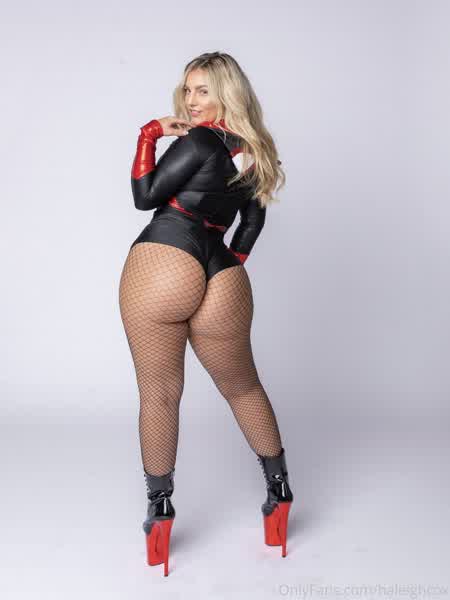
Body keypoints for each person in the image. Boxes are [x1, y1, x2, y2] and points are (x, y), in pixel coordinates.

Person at [118, 51, 294, 576]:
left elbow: (145, 196)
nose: (191, 101)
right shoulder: (256, 151)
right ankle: (280, 493)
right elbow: (251, 226)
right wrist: (221, 266)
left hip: (166, 257)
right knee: (244, 388)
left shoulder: (196, 141)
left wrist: (150, 134)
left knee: (159, 393)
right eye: (188, 90)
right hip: (224, 274)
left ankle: (160, 511)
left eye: (203, 90)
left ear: (226, 93)